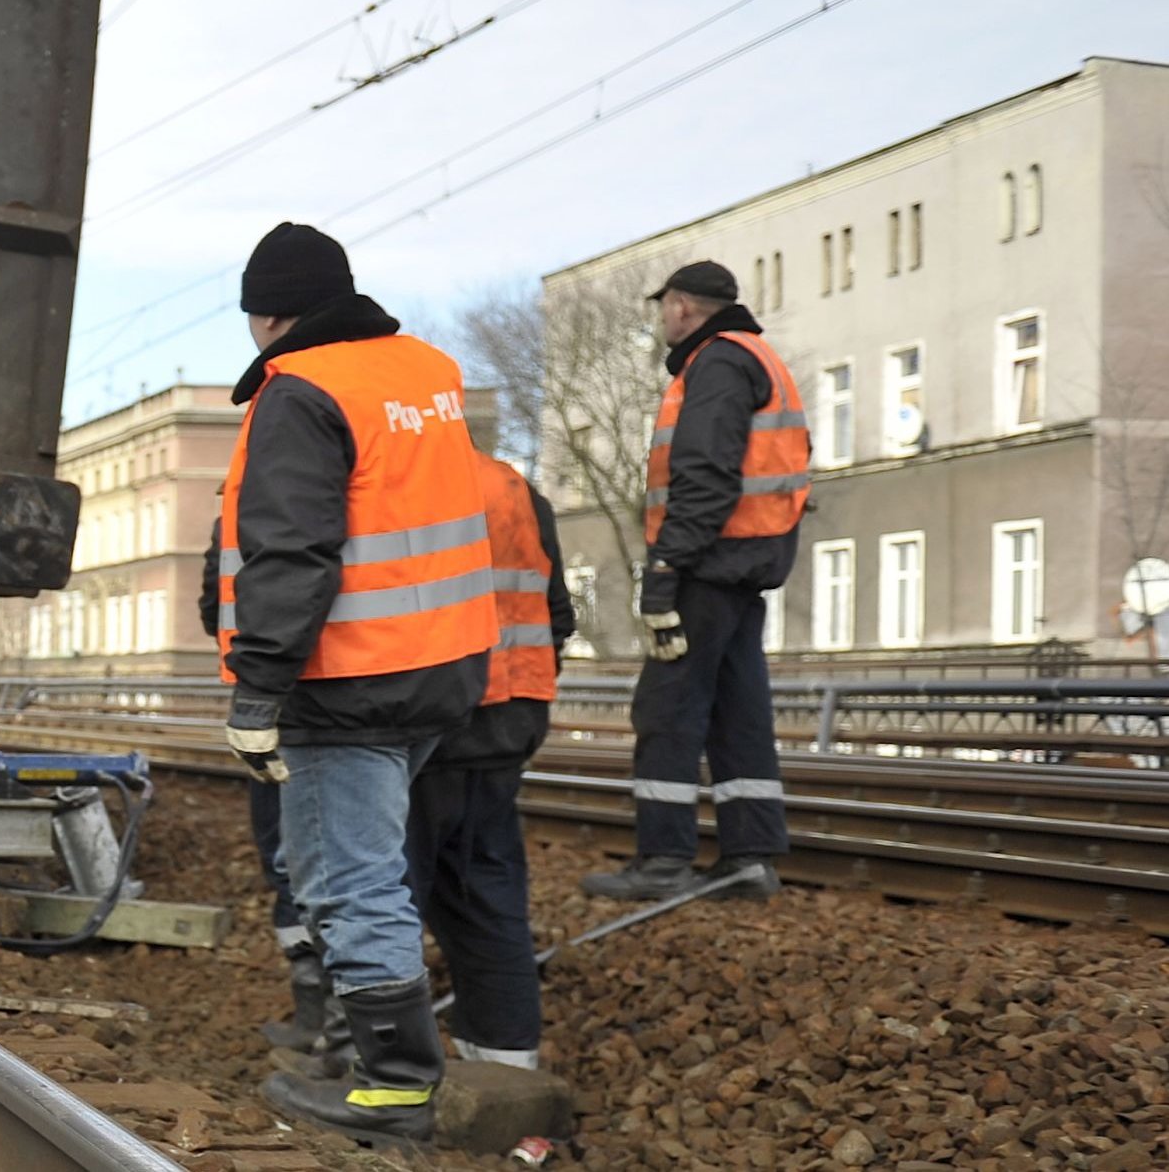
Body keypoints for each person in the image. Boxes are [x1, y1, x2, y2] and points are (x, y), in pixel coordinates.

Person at [212, 222, 494, 1144]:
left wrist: (257, 689)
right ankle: (368, 1053)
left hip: (347, 681)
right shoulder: (423, 373)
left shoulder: (300, 394)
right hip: (440, 668)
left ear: (267, 316)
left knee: (346, 880)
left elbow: (291, 550)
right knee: (364, 866)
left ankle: (394, 1087)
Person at [582, 260, 805, 902]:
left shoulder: (715, 364)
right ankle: (749, 859)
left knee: (668, 710)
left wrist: (665, 568)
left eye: (663, 309)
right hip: (745, 571)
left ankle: (662, 860)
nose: (661, 322)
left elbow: (705, 475)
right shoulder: (759, 357)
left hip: (706, 568)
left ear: (680, 307)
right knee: (739, 715)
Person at [409, 457, 575, 1071]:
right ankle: (507, 1059)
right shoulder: (512, 485)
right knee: (488, 889)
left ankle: (379, 1068)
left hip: (423, 717)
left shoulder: (403, 476)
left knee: (384, 894)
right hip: (509, 718)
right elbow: (557, 612)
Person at [203, 517, 322, 1053]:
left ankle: (324, 1023)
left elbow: (218, 607)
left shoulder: (247, 504)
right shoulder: (489, 485)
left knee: (292, 861)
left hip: (296, 699)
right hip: (421, 692)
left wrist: (257, 691)